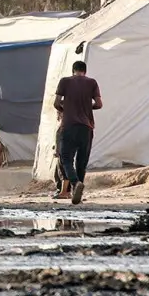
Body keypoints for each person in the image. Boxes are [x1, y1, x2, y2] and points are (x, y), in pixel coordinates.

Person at [54, 60, 102, 205]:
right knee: (82, 162)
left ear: (73, 70)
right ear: (85, 71)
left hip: (69, 126)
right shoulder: (92, 82)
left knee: (66, 159)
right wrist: (86, 108)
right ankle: (78, 193)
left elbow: (56, 103)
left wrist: (67, 111)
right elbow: (99, 104)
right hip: (86, 127)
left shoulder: (64, 81)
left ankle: (75, 183)